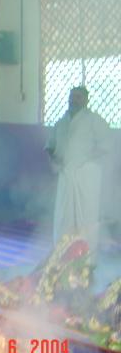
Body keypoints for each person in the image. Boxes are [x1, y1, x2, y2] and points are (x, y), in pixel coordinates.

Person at [45, 86, 111, 250]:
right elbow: (49, 146)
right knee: (64, 216)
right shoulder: (61, 122)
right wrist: (53, 159)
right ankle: (61, 255)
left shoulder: (94, 120)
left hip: (86, 176)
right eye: (72, 96)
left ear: (86, 100)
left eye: (78, 97)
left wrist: (86, 161)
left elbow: (106, 145)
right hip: (66, 175)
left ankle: (87, 258)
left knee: (86, 216)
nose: (74, 99)